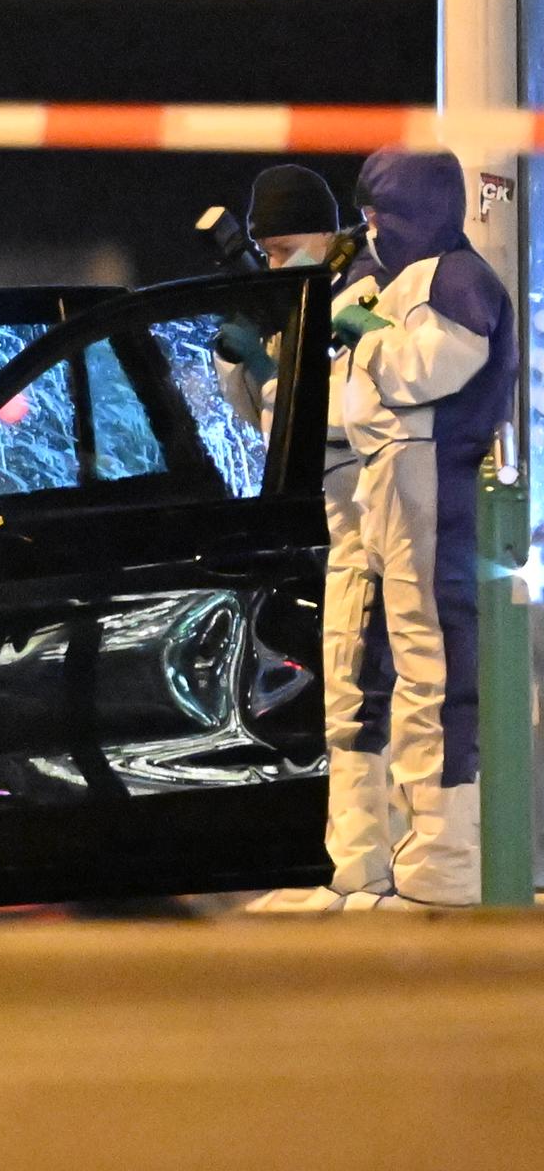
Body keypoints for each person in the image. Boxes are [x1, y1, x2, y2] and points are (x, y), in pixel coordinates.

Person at [327, 147, 517, 908]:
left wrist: (366, 330)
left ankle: (447, 862)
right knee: (396, 669)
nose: (369, 228)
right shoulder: (415, 275)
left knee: (435, 674)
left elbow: (423, 370)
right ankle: (412, 855)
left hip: (432, 481)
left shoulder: (457, 279)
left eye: (379, 213)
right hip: (399, 483)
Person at [217, 165, 400, 913]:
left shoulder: (363, 293)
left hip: (372, 522)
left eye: (286, 247)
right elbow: (263, 421)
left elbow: (331, 415)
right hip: (335, 528)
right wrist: (246, 361)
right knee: (348, 699)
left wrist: (267, 370)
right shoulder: (311, 299)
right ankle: (356, 865)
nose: (275, 262)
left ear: (328, 233)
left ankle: (366, 872)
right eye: (264, 252)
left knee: (366, 698)